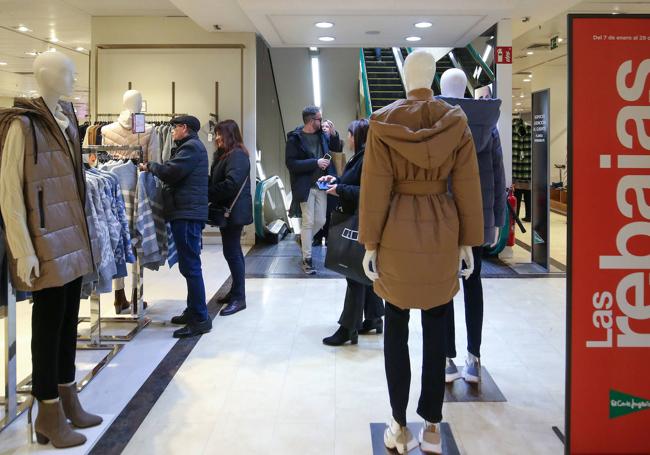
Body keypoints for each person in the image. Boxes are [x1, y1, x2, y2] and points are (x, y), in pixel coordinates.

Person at [359, 50, 483, 454]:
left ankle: (399, 425)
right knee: (437, 324)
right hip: (442, 230)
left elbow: (375, 187)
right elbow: (467, 186)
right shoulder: (456, 122)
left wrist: (370, 243)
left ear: (405, 75)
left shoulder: (384, 121)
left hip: (396, 229)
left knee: (395, 328)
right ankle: (432, 427)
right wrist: (468, 242)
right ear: (432, 76)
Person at [141, 115, 210, 338]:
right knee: (188, 265)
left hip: (187, 213)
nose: (171, 132)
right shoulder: (190, 147)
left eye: (174, 128)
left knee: (190, 266)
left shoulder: (191, 148)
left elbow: (171, 172)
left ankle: (200, 318)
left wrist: (151, 166)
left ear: (184, 128)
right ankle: (193, 311)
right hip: (185, 212)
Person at [320, 119, 385, 346]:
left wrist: (340, 189)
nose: (346, 138)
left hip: (360, 221)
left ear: (358, 136)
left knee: (354, 275)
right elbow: (355, 182)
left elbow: (368, 191)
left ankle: (348, 328)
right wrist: (335, 181)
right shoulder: (362, 156)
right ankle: (375, 318)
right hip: (362, 219)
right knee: (364, 271)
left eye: (349, 134)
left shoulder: (367, 157)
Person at [285, 106, 340, 275]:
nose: (322, 122)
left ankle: (304, 239)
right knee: (308, 221)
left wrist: (334, 133)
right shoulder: (295, 138)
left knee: (322, 220)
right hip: (305, 185)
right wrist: (315, 163)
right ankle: (307, 260)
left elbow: (336, 147)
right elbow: (291, 164)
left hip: (322, 185)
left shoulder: (322, 135)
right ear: (311, 121)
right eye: (319, 119)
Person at [208, 119, 253, 316]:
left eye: (221, 133)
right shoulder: (225, 154)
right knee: (232, 252)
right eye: (216, 133)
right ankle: (236, 292)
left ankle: (239, 298)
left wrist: (208, 193)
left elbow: (231, 184)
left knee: (232, 252)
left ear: (231, 135)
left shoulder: (237, 155)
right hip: (229, 210)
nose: (217, 137)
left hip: (234, 211)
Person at [312, 119, 342, 247]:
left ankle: (329, 236)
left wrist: (333, 132)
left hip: (331, 178)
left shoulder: (333, 141)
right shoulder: (318, 140)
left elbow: (337, 146)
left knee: (330, 208)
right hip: (319, 179)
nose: (324, 128)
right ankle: (318, 237)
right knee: (318, 210)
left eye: (327, 126)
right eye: (322, 126)